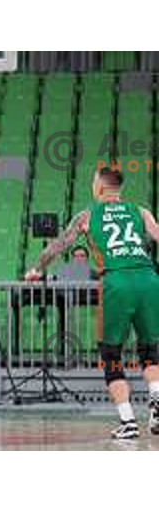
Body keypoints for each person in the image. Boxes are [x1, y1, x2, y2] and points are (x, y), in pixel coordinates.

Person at [26, 167, 159, 439]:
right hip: (149, 279)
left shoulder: (87, 215)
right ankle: (156, 398)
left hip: (117, 282)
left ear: (99, 187)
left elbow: (60, 245)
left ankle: (128, 421)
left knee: (111, 354)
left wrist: (37, 269)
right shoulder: (141, 211)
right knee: (151, 349)